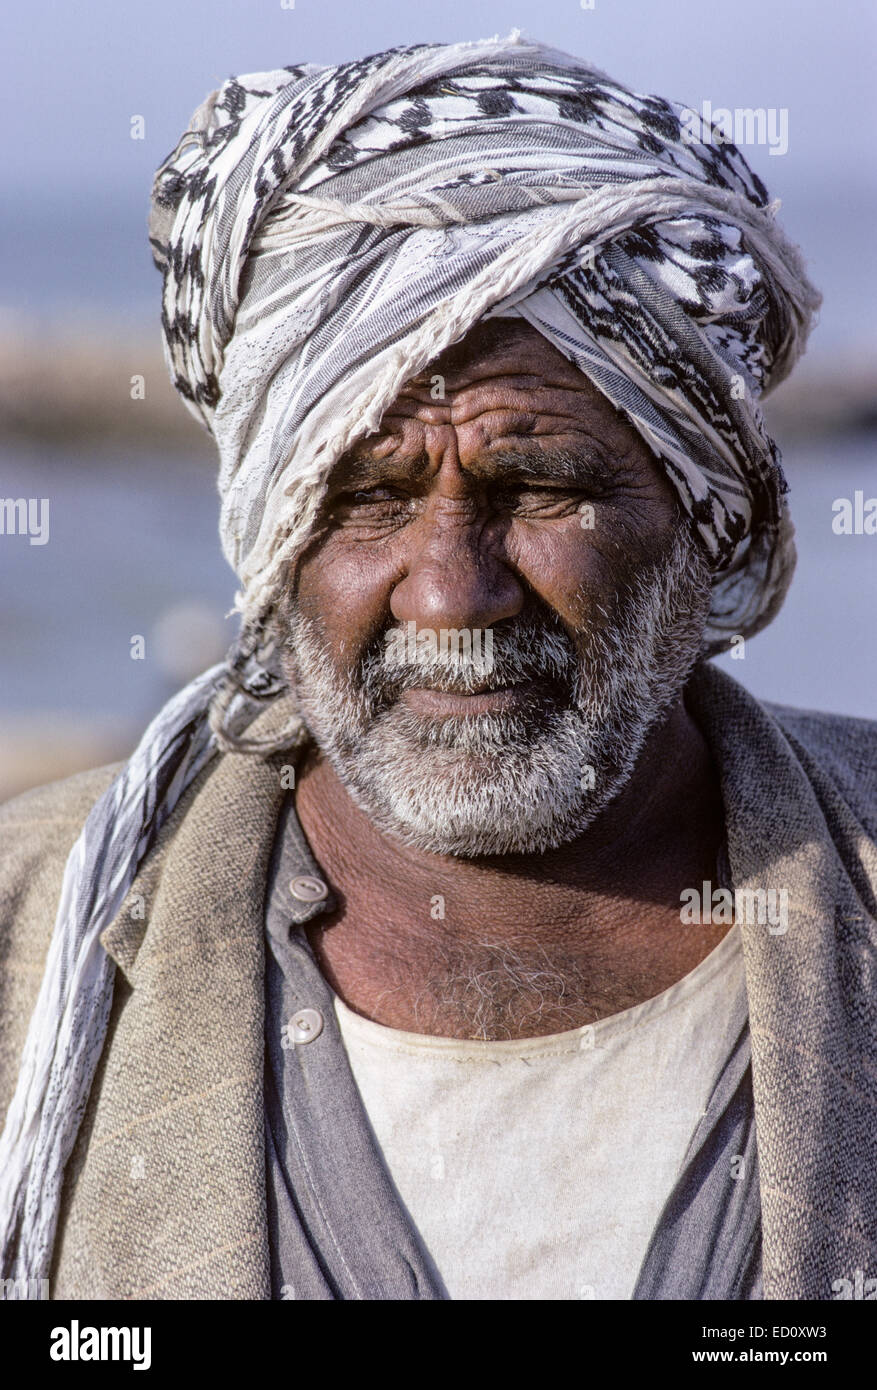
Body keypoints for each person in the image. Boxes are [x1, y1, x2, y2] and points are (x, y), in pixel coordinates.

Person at [2, 34, 875, 1302]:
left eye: (541, 488)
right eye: (365, 497)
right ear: (267, 536)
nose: (451, 588)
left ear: (709, 519)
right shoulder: (33, 956)